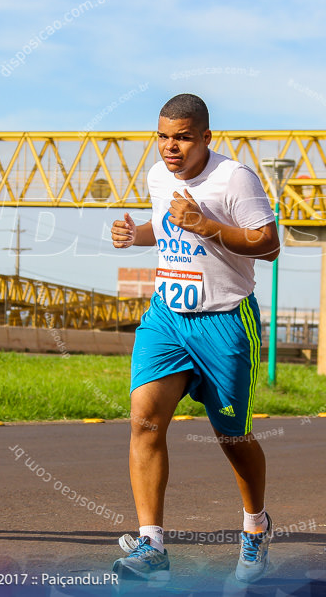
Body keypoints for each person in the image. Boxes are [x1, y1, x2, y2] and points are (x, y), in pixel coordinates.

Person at [109, 94, 279, 583]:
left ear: (205, 137)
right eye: (163, 136)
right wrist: (134, 234)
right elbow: (167, 229)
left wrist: (205, 223)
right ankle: (152, 545)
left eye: (182, 137)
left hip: (224, 320)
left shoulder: (234, 179)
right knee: (144, 421)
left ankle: (254, 527)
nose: (170, 147)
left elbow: (268, 244)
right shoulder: (158, 176)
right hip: (167, 317)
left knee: (232, 436)